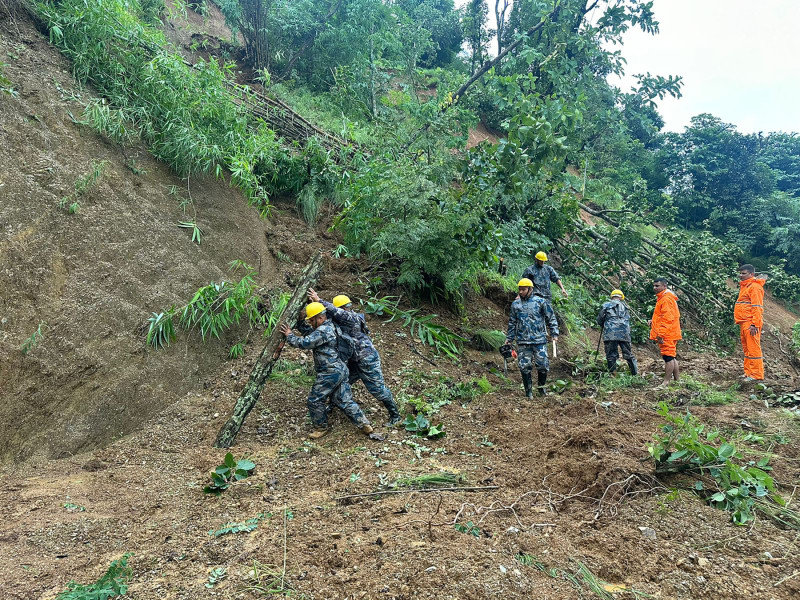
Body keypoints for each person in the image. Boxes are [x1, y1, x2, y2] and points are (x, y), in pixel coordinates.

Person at [307, 288, 402, 426]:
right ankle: (334, 406)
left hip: (366, 359)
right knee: (339, 383)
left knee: (377, 389)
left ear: (344, 308)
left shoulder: (352, 318)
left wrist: (319, 300)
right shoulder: (338, 320)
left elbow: (336, 312)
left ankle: (395, 415)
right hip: (353, 360)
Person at [279, 302, 373, 439]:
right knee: (344, 400)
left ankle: (321, 427)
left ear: (320, 318)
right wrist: (300, 323)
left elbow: (305, 343)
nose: (310, 323)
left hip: (330, 372)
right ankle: (364, 424)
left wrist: (289, 335)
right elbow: (310, 333)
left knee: (314, 400)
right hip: (340, 369)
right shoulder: (329, 326)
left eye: (311, 320)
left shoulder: (324, 331)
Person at [506, 278, 559, 398]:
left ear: (530, 289)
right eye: (519, 289)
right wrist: (509, 338)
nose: (521, 292)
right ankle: (528, 391)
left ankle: (541, 389)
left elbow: (551, 318)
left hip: (539, 340)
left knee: (543, 365)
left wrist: (554, 333)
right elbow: (512, 322)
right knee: (524, 366)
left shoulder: (540, 302)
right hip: (523, 341)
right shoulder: (516, 305)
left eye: (523, 290)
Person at [734, 264, 767, 381]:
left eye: (744, 273)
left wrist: (755, 324)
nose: (741, 276)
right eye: (741, 273)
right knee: (747, 349)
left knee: (753, 349)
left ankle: (756, 375)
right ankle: (748, 373)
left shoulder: (755, 287)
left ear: (752, 274)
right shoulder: (745, 286)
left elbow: (757, 307)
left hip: (750, 322)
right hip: (744, 322)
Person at [648, 278, 682, 387]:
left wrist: (660, 334)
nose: (655, 288)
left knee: (668, 357)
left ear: (664, 286)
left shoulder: (666, 299)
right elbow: (662, 317)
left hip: (667, 334)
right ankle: (677, 381)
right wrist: (653, 322)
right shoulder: (663, 298)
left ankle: (665, 383)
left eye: (657, 286)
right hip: (671, 332)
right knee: (672, 356)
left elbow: (668, 319)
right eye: (654, 285)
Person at [597, 289, 638, 376]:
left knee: (611, 354)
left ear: (612, 297)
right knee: (628, 353)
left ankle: (613, 375)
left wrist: (603, 324)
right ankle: (634, 373)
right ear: (621, 297)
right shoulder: (626, 307)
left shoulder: (606, 305)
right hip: (624, 333)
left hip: (610, 333)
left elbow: (600, 319)